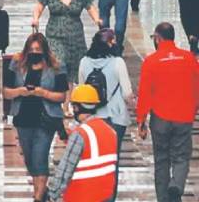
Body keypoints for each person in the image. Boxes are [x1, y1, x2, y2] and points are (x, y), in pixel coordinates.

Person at [136, 22, 199, 202]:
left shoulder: (151, 61)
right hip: (183, 117)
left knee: (161, 160)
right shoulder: (188, 58)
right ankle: (176, 185)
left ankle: (164, 198)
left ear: (157, 38)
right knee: (181, 157)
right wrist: (194, 108)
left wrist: (141, 121)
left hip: (160, 119)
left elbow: (145, 93)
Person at [3, 32, 68, 202]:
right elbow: (6, 92)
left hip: (46, 119)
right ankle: (41, 190)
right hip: (23, 117)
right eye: (31, 49)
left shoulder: (56, 66)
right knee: (30, 159)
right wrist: (21, 91)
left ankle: (38, 197)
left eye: (38, 49)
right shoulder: (17, 64)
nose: (34, 52)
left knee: (40, 155)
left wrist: (43, 93)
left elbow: (62, 96)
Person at [78, 29, 134, 201]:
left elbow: (81, 91)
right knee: (112, 162)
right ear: (110, 44)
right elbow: (127, 93)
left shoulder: (84, 62)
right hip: (116, 118)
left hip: (92, 118)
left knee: (94, 159)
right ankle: (109, 197)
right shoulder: (118, 62)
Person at [32, 0, 102, 88]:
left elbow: (91, 7)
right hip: (54, 36)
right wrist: (36, 18)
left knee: (72, 71)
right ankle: (56, 95)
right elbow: (39, 6)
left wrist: (96, 19)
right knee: (59, 63)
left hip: (75, 38)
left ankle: (66, 104)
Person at [47, 84, 118, 202]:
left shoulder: (80, 134)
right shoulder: (110, 131)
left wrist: (51, 194)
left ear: (77, 108)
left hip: (81, 195)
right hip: (105, 195)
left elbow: (65, 169)